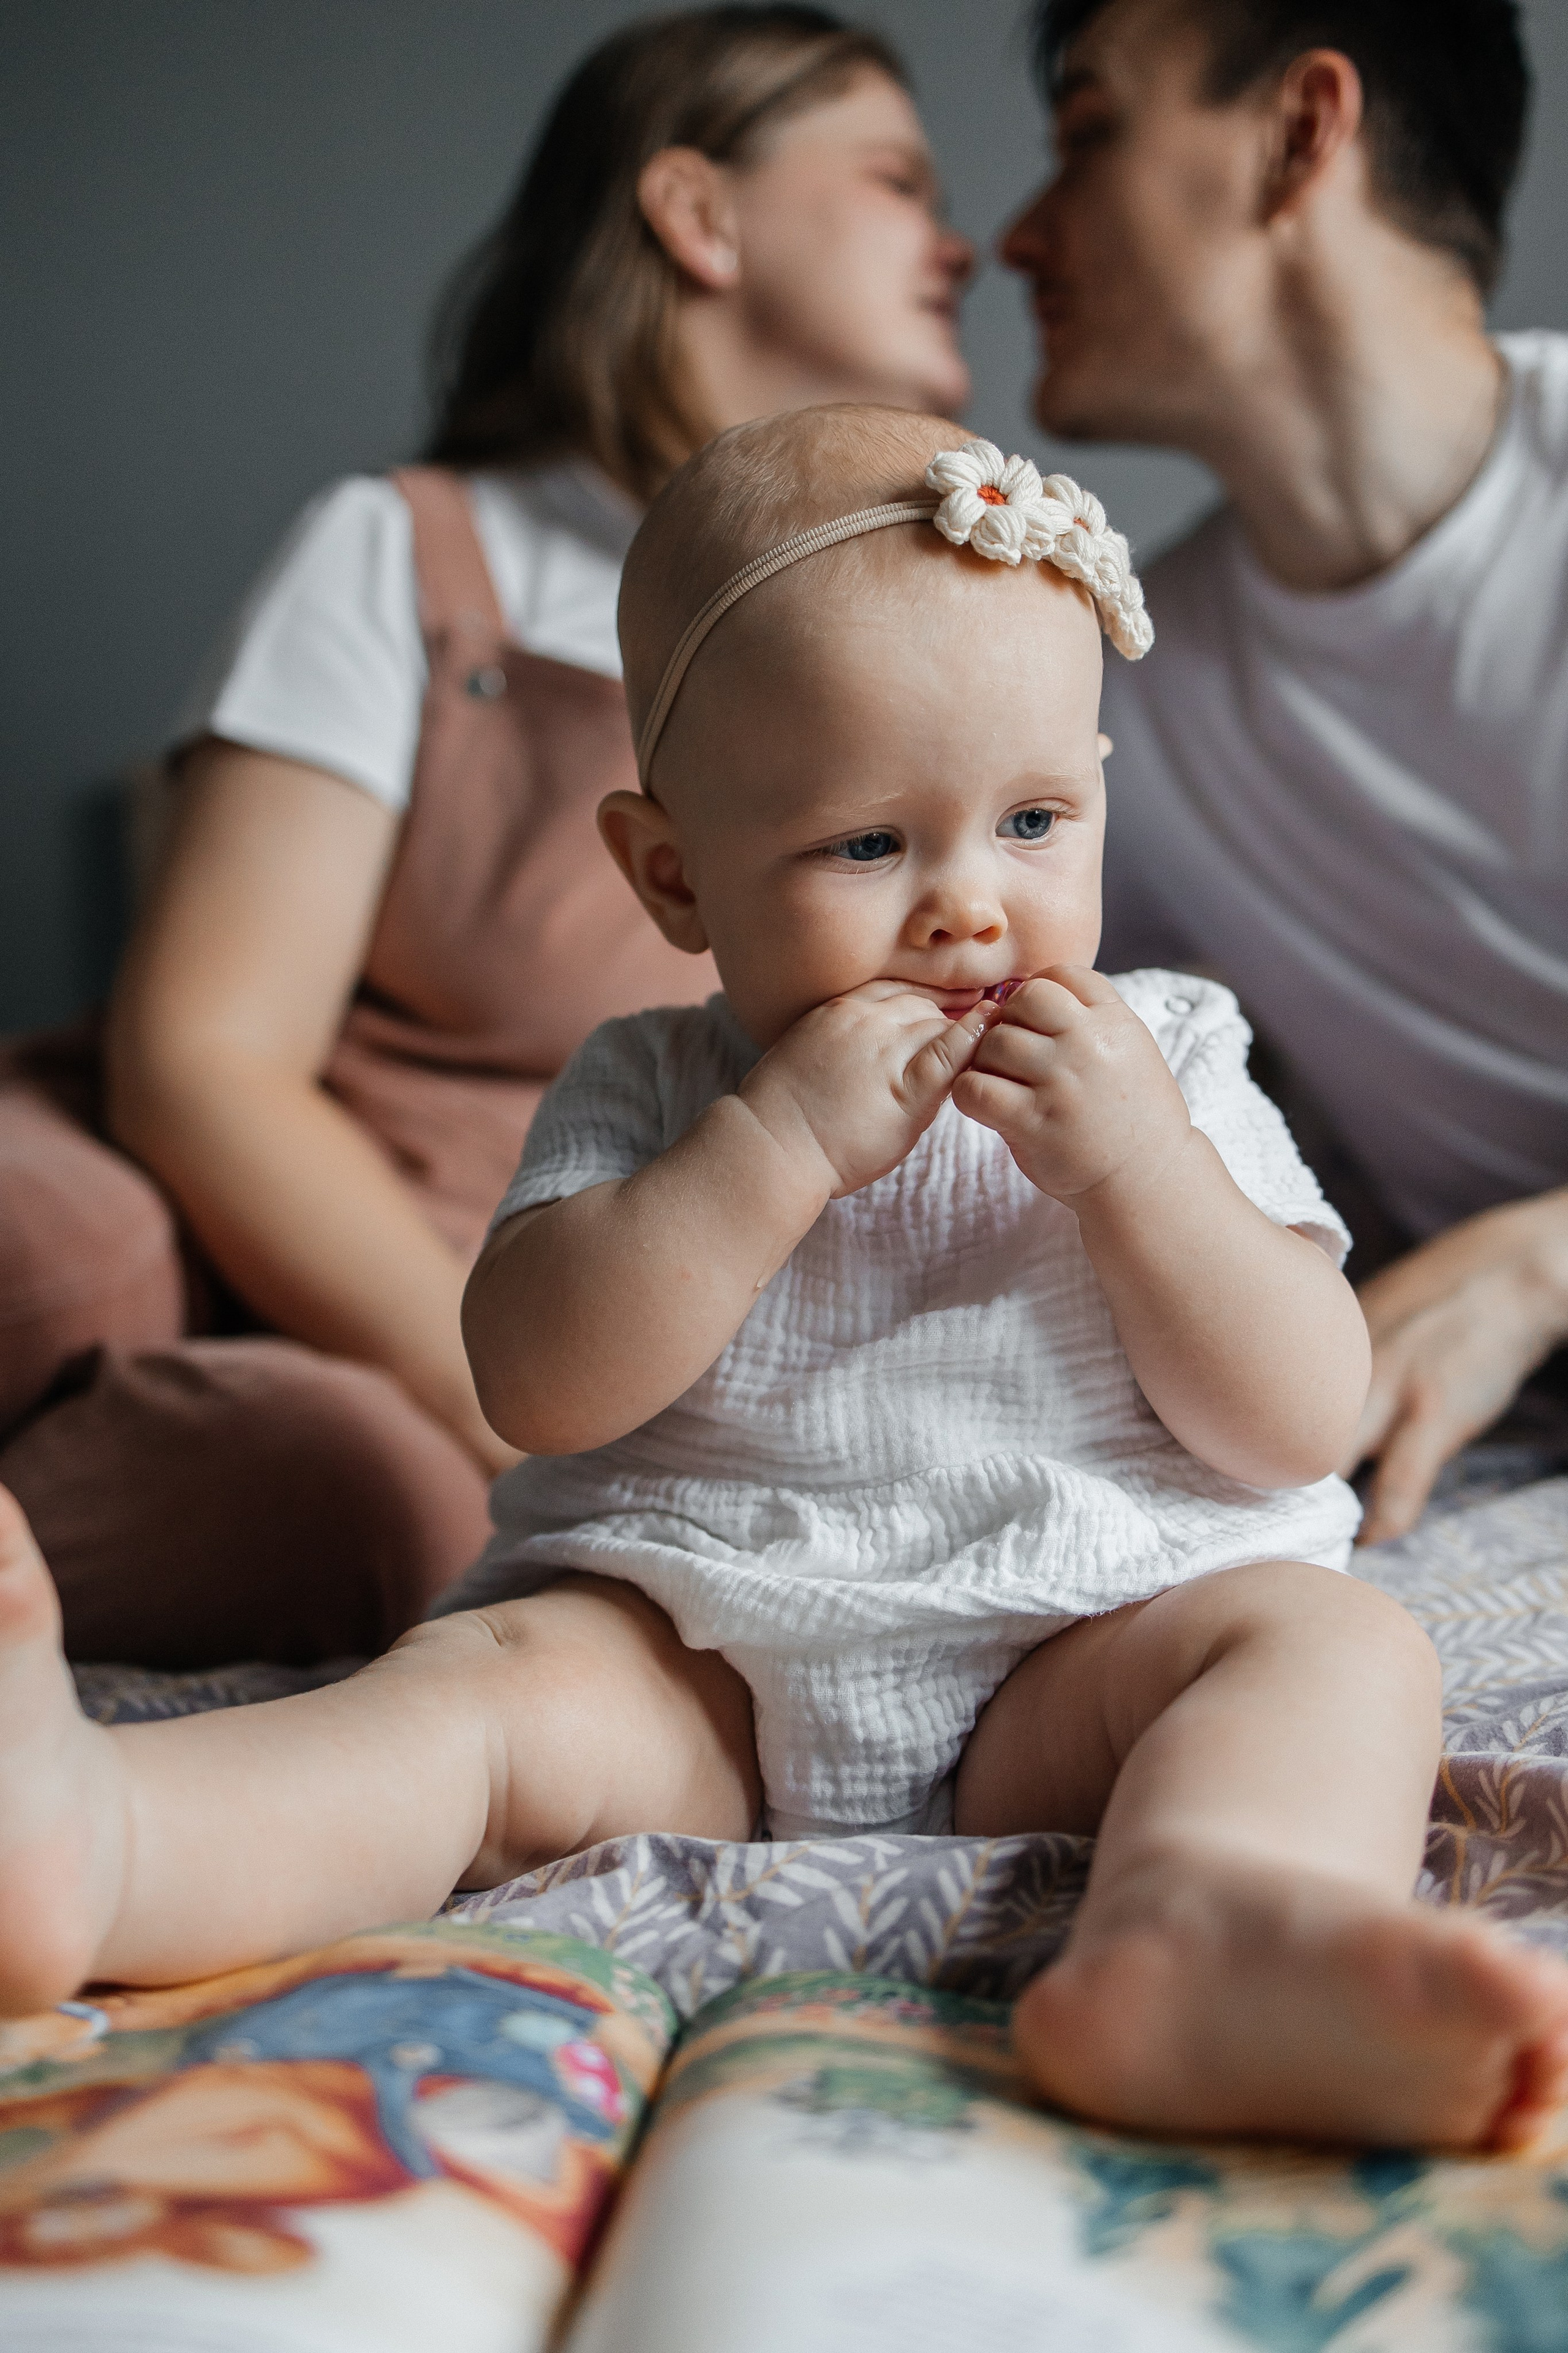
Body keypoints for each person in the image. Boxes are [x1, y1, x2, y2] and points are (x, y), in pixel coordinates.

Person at [6, 402, 1568, 2154]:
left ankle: (1203, 1932)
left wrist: (1143, 1174)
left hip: (1080, 1650)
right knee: (482, 1694)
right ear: (673, 876)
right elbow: (541, 1383)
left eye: (1035, 819)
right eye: (868, 848)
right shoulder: (650, 1088)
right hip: (703, 1676)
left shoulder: (1175, 1063)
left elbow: (1297, 1419)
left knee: (1329, 1643)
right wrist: (770, 1156)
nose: (971, 906)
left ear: (1099, 798)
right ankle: (105, 1837)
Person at [0, 5, 973, 1667]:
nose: (955, 243)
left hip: (595, 1300)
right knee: (98, 1282)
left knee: (377, 1502)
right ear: (699, 214)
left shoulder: (916, 618)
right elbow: (205, 1061)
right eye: (893, 178)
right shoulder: (409, 552)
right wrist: (505, 1408)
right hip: (306, 1250)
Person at [1001, 0, 1568, 1548]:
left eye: (1087, 134)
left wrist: (1541, 1261)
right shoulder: (1122, 698)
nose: (1013, 236)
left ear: (1299, 133)